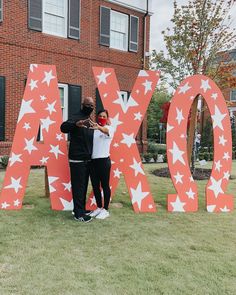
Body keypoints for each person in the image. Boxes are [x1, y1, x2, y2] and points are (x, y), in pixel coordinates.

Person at [60, 97, 94, 223]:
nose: (90, 107)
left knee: (83, 186)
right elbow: (63, 127)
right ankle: (78, 214)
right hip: (77, 160)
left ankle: (80, 209)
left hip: (87, 159)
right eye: (88, 105)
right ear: (82, 105)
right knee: (78, 187)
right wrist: (75, 124)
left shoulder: (90, 119)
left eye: (92, 105)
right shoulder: (76, 116)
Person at [89, 109, 114, 219]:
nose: (102, 118)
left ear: (107, 119)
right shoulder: (93, 130)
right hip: (93, 162)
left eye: (104, 116)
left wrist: (99, 127)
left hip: (104, 161)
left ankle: (106, 209)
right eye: (100, 116)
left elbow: (104, 130)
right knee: (95, 186)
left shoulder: (109, 128)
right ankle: (99, 207)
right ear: (96, 117)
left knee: (105, 185)